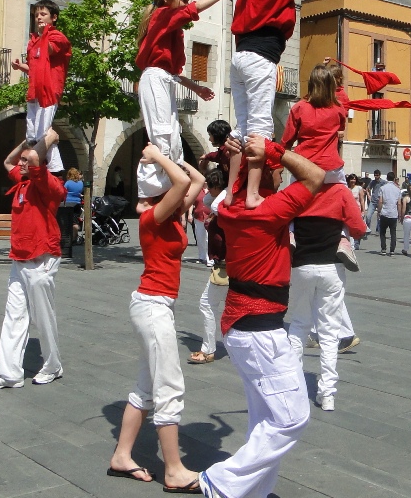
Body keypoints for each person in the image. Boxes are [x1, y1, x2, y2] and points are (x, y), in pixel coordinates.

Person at [198, 135, 325, 498]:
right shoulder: (268, 210)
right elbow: (316, 176)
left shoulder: (232, 207)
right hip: (260, 330)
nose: (282, 178)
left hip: (242, 327)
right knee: (291, 418)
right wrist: (275, 151)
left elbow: (238, 181)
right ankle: (220, 481)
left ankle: (254, 492)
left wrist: (247, 159)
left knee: (264, 420)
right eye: (276, 173)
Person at [109, 143, 205, 491]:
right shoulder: (153, 217)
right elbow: (182, 184)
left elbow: (195, 180)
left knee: (147, 386)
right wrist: (157, 158)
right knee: (168, 385)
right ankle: (174, 470)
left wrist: (170, 155)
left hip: (156, 304)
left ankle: (122, 455)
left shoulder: (171, 214)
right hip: (152, 305)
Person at [226, 0, 319, 209]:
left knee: (242, 128)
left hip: (239, 57)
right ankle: (252, 193)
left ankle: (232, 192)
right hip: (259, 59)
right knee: (260, 129)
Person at [136, 0, 237, 198]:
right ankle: (152, 191)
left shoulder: (168, 26)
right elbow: (194, 10)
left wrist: (196, 88)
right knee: (162, 133)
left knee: (172, 135)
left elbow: (171, 73)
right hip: (155, 79)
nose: (186, 4)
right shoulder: (162, 15)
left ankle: (168, 183)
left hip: (163, 80)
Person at [0, 130, 65, 390]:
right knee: (13, 317)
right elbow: (8, 161)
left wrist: (48, 140)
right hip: (19, 260)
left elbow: (35, 160)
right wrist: (25, 142)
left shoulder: (49, 184)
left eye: (26, 160)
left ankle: (53, 365)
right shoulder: (22, 180)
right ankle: (9, 374)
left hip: (41, 260)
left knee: (43, 318)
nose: (21, 162)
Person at [287, 180, 367, 411]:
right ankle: (327, 394)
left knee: (299, 325)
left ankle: (293, 388)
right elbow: (359, 229)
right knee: (329, 332)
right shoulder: (340, 191)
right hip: (332, 266)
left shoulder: (297, 189)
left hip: (301, 265)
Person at [281, 63, 356, 271]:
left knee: (291, 199)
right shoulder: (338, 110)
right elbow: (340, 128)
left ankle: (291, 233)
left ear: (311, 84)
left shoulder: (298, 108)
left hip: (304, 166)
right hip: (331, 167)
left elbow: (286, 140)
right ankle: (344, 239)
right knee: (344, 198)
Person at [11, 0, 71, 174]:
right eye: (36, 14)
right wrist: (20, 66)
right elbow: (35, 66)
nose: (38, 17)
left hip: (49, 91)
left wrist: (43, 34)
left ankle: (55, 168)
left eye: (43, 14)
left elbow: (49, 51)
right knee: (31, 136)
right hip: (35, 90)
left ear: (54, 17)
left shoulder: (57, 37)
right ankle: (46, 166)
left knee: (42, 133)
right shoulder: (34, 41)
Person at [189, 170, 228, 365]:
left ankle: (209, 349)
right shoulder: (219, 205)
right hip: (223, 264)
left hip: (225, 265)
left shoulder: (223, 207)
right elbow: (206, 203)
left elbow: (211, 205)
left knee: (207, 304)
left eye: (211, 189)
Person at [377, 172, 402, 255]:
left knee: (383, 232)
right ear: (394, 178)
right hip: (393, 213)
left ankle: (383, 249)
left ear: (387, 178)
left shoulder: (382, 188)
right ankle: (392, 250)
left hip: (384, 212)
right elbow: (399, 203)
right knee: (393, 233)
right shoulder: (397, 189)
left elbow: (380, 201)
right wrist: (400, 214)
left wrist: (379, 211)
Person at [63, 167, 84, 241]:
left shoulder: (68, 183)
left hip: (68, 204)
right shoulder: (81, 183)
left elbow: (63, 191)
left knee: (67, 221)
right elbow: (80, 192)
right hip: (77, 203)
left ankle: (70, 237)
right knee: (75, 220)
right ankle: (75, 236)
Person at [348, 174, 367, 250]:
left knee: (357, 227)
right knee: (350, 227)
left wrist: (363, 210)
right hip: (348, 210)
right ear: (349, 180)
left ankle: (357, 243)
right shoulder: (346, 188)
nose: (353, 181)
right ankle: (351, 244)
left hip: (357, 210)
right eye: (351, 179)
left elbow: (362, 200)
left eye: (354, 179)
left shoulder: (359, 188)